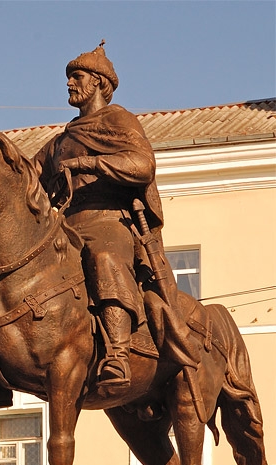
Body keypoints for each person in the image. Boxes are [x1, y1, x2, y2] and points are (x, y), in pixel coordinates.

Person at [33, 41, 198, 394]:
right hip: (65, 226)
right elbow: (28, 177)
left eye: (76, 76)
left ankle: (118, 355)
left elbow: (142, 165)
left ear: (98, 82)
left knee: (104, 257)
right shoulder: (62, 139)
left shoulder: (118, 120)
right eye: (69, 77)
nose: (69, 83)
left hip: (108, 221)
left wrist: (90, 163)